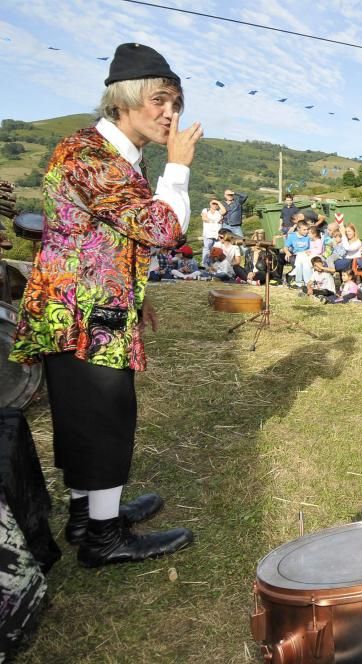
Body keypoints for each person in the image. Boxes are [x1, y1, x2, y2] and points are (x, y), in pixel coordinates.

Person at [10, 43, 201, 566]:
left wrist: (137, 295)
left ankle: (87, 516)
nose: (171, 114)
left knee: (81, 418)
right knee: (104, 418)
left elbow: (104, 237)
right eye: (160, 101)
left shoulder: (109, 155)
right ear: (124, 102)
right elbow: (161, 229)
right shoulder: (90, 156)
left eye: (176, 102)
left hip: (85, 304)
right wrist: (178, 168)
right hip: (83, 314)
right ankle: (103, 538)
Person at [200, 199, 222, 266]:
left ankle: (213, 264)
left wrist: (218, 202)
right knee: (207, 249)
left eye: (216, 204)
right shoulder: (205, 210)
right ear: (210, 203)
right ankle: (204, 264)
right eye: (213, 203)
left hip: (217, 234)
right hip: (208, 233)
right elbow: (204, 218)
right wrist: (214, 221)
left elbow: (224, 211)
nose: (215, 205)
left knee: (215, 250)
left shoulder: (219, 211)